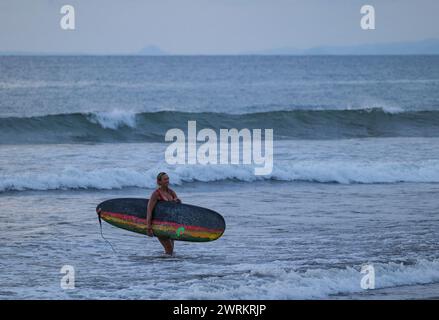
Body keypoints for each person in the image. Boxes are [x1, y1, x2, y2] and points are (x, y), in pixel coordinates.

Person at [146, 172, 181, 255]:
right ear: (159, 182)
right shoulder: (156, 194)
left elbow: (178, 208)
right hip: (160, 225)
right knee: (169, 249)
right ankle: (165, 265)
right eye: (165, 179)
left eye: (168, 179)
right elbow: (149, 210)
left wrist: (178, 201)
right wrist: (148, 227)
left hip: (171, 224)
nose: (167, 181)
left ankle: (165, 266)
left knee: (170, 250)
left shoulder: (171, 192)